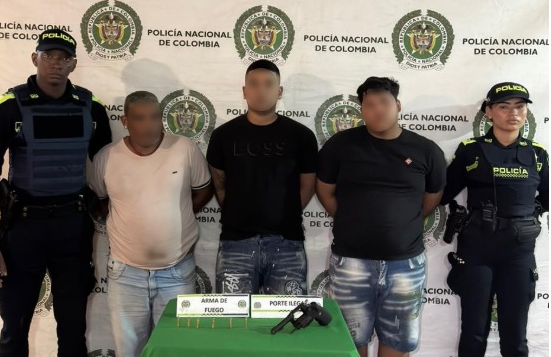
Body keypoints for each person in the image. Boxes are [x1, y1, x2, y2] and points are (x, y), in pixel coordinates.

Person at [0, 29, 112, 357]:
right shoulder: (7, 107)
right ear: (34, 58)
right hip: (22, 229)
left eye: (64, 57)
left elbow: (111, 173)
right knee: (14, 327)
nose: (56, 63)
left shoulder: (91, 107)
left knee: (73, 329)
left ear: (73, 64)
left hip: (72, 229)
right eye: (48, 55)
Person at [316, 76, 446, 357]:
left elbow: (431, 199)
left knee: (398, 342)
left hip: (405, 265)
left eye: (384, 102)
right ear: (361, 110)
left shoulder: (426, 151)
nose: (377, 110)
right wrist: (351, 219)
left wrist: (400, 223)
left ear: (397, 105)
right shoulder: (340, 146)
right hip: (351, 263)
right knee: (348, 342)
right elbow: (325, 191)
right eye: (370, 104)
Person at [88, 91, 213, 357]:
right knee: (129, 351)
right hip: (125, 276)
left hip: (177, 273)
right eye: (140, 118)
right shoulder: (106, 157)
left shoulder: (185, 149)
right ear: (125, 121)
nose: (149, 125)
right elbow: (100, 202)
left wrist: (177, 214)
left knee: (175, 350)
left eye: (155, 117)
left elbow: (203, 190)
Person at [441, 82, 548, 357]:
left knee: (516, 337)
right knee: (474, 333)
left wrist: (527, 215)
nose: (513, 113)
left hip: (518, 253)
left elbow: (547, 198)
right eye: (504, 106)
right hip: (478, 250)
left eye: (520, 107)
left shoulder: (537, 153)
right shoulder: (470, 150)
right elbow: (442, 194)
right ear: (488, 112)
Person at [206, 59, 318, 295]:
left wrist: (282, 213)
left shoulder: (301, 136)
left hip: (286, 244)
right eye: (254, 84)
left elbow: (307, 186)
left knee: (288, 315)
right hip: (236, 243)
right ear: (244, 91)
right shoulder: (223, 136)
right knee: (233, 316)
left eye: (268, 84)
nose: (261, 91)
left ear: (279, 91)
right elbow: (219, 184)